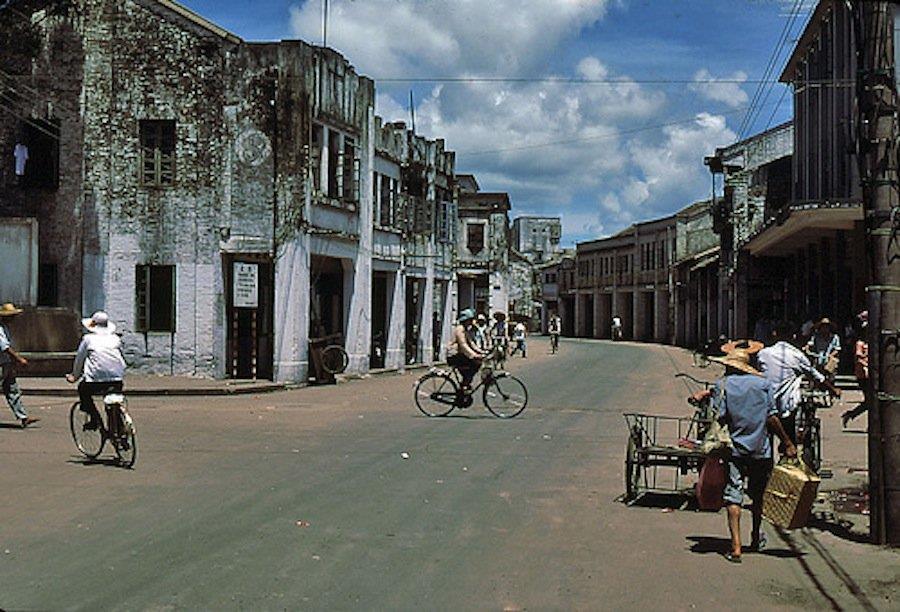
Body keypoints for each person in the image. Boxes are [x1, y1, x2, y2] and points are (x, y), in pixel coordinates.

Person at [705, 348, 797, 563]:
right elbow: (772, 418)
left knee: (733, 494)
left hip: (733, 450)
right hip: (761, 450)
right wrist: (787, 442)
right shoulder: (764, 384)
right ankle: (755, 536)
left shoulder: (723, 385)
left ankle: (736, 547)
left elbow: (719, 416)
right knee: (758, 495)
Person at [757, 321, 840, 445]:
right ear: (793, 336)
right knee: (790, 436)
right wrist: (832, 389)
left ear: (774, 334)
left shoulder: (763, 353)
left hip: (765, 403)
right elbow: (815, 376)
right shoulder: (796, 355)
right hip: (786, 405)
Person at [66, 311, 126, 430]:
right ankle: (119, 430)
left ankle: (94, 420)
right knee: (113, 402)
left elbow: (79, 359)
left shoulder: (88, 339)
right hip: (117, 379)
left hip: (95, 380)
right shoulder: (115, 339)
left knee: (83, 390)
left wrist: (74, 376)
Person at [0, 303, 39, 428]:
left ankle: (23, 417)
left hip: (6, 363)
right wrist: (19, 359)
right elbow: (5, 347)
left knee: (13, 390)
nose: (13, 318)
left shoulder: (4, 327)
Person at [447, 309, 486, 394]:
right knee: (475, 363)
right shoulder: (459, 329)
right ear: (466, 320)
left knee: (474, 365)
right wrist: (474, 355)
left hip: (461, 354)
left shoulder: (465, 330)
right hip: (454, 355)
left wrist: (482, 351)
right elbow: (463, 345)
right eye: (471, 320)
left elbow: (471, 343)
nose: (472, 322)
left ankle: (465, 384)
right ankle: (465, 385)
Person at [842, 311, 870, 427]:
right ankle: (851, 414)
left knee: (872, 402)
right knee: (870, 401)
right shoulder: (860, 343)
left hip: (871, 374)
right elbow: (858, 356)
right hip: (863, 375)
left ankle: (851, 415)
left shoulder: (872, 342)